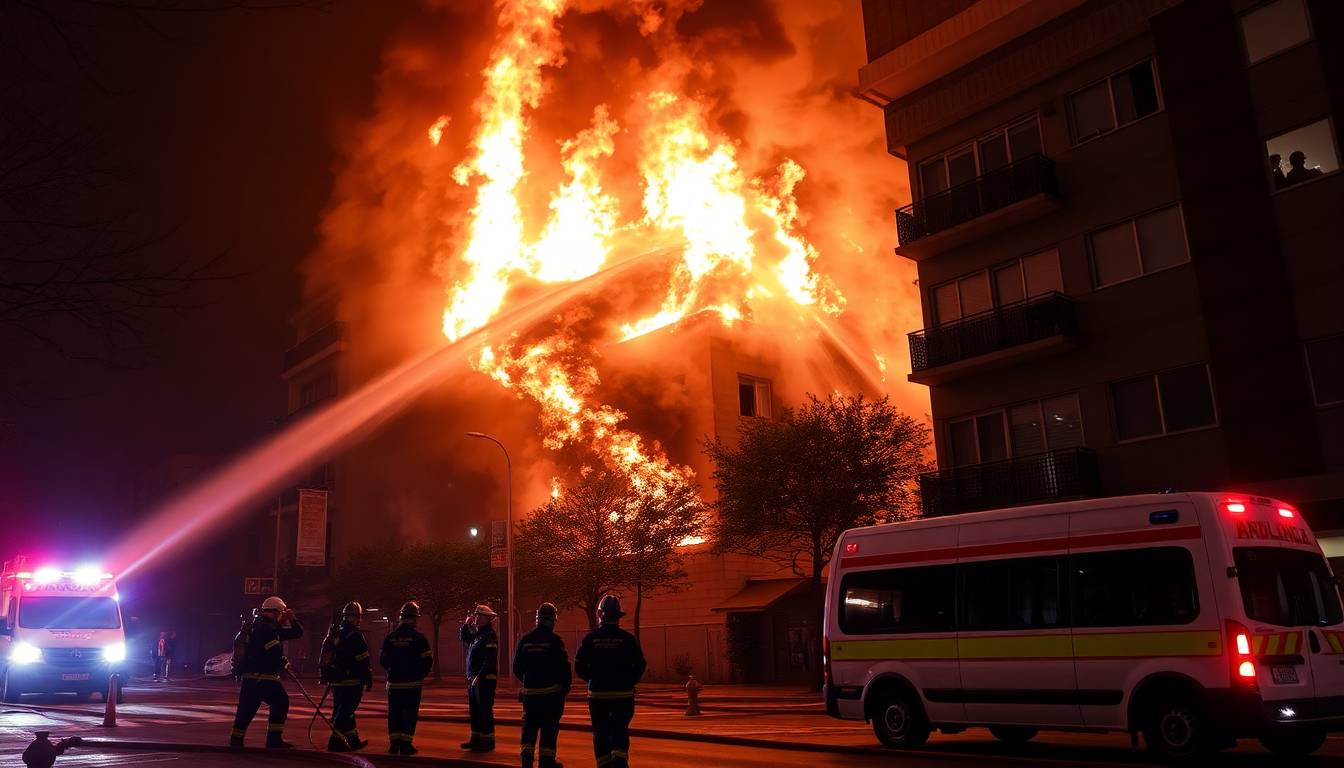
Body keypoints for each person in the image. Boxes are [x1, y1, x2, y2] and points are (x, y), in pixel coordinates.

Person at [575, 595, 646, 768]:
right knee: (620, 728)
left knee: (600, 730)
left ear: (600, 614)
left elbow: (579, 666)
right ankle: (619, 761)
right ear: (618, 616)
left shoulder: (590, 639)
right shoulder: (627, 639)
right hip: (623, 694)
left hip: (598, 694)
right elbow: (640, 664)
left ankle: (604, 764)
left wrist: (593, 679)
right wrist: (629, 681)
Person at [229, 596, 304, 748]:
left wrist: (292, 618)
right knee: (281, 701)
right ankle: (274, 739)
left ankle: (236, 740)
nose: (282, 617)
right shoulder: (267, 629)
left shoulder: (258, 627)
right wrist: (284, 664)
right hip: (264, 678)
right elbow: (274, 652)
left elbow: (296, 633)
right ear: (276, 612)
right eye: (281, 614)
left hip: (250, 679)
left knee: (246, 709)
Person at [514, 602, 571, 768]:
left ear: (538, 620)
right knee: (549, 727)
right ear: (552, 620)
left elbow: (516, 667)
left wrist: (527, 680)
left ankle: (526, 758)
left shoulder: (526, 640)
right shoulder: (555, 641)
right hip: (551, 694)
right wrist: (565, 685)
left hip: (530, 694)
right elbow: (563, 666)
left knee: (529, 726)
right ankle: (546, 762)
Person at [380, 601, 433, 756]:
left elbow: (382, 659)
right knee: (409, 712)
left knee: (394, 712)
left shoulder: (390, 637)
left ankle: (393, 745)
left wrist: (393, 670)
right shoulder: (419, 638)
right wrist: (419, 675)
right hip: (412, 684)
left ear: (401, 617)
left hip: (394, 683)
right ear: (415, 618)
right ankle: (405, 745)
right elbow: (428, 661)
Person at [326, 602, 372, 752]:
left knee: (344, 709)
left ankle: (353, 741)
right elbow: (363, 659)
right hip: (352, 680)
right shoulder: (355, 635)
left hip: (337, 681)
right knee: (347, 710)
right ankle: (335, 740)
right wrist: (367, 675)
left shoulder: (336, 633)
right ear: (357, 617)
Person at [459, 604, 500, 752]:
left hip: (484, 679)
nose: (476, 618)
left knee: (484, 711)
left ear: (486, 619)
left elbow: (490, 659)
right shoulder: (477, 635)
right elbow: (464, 638)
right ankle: (476, 739)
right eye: (476, 615)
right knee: (475, 711)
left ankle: (488, 741)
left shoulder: (489, 635)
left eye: (479, 616)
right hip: (474, 678)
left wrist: (481, 676)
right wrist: (466, 625)